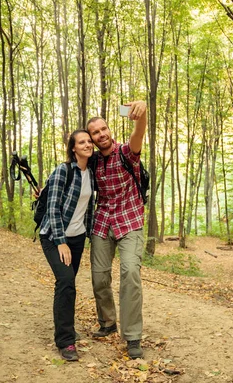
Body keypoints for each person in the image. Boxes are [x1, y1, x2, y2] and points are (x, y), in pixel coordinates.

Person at [86, 100, 147, 359]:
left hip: (130, 220)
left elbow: (139, 133)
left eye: (103, 129)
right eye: (95, 133)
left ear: (109, 129)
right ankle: (108, 322)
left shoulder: (126, 152)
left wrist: (141, 113)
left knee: (130, 271)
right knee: (99, 276)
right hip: (102, 222)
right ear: (91, 139)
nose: (101, 135)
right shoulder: (92, 162)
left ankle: (132, 336)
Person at [38, 129, 95, 362]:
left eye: (89, 141)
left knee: (69, 285)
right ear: (73, 148)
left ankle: (67, 329)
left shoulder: (91, 173)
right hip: (54, 237)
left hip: (78, 238)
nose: (87, 145)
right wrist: (61, 242)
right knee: (65, 281)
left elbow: (88, 208)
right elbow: (52, 209)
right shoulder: (63, 170)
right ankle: (65, 341)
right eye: (82, 142)